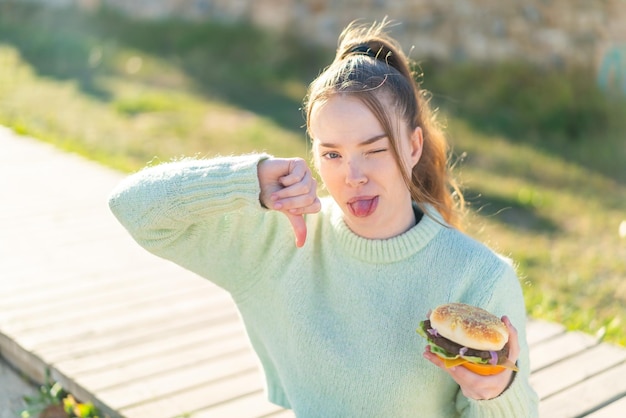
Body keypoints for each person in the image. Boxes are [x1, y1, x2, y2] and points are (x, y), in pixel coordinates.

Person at [108, 19, 539, 417]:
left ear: (413, 146)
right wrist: (247, 180)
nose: (353, 177)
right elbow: (134, 208)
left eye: (374, 149)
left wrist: (497, 392)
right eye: (332, 154)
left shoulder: (479, 279)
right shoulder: (280, 242)